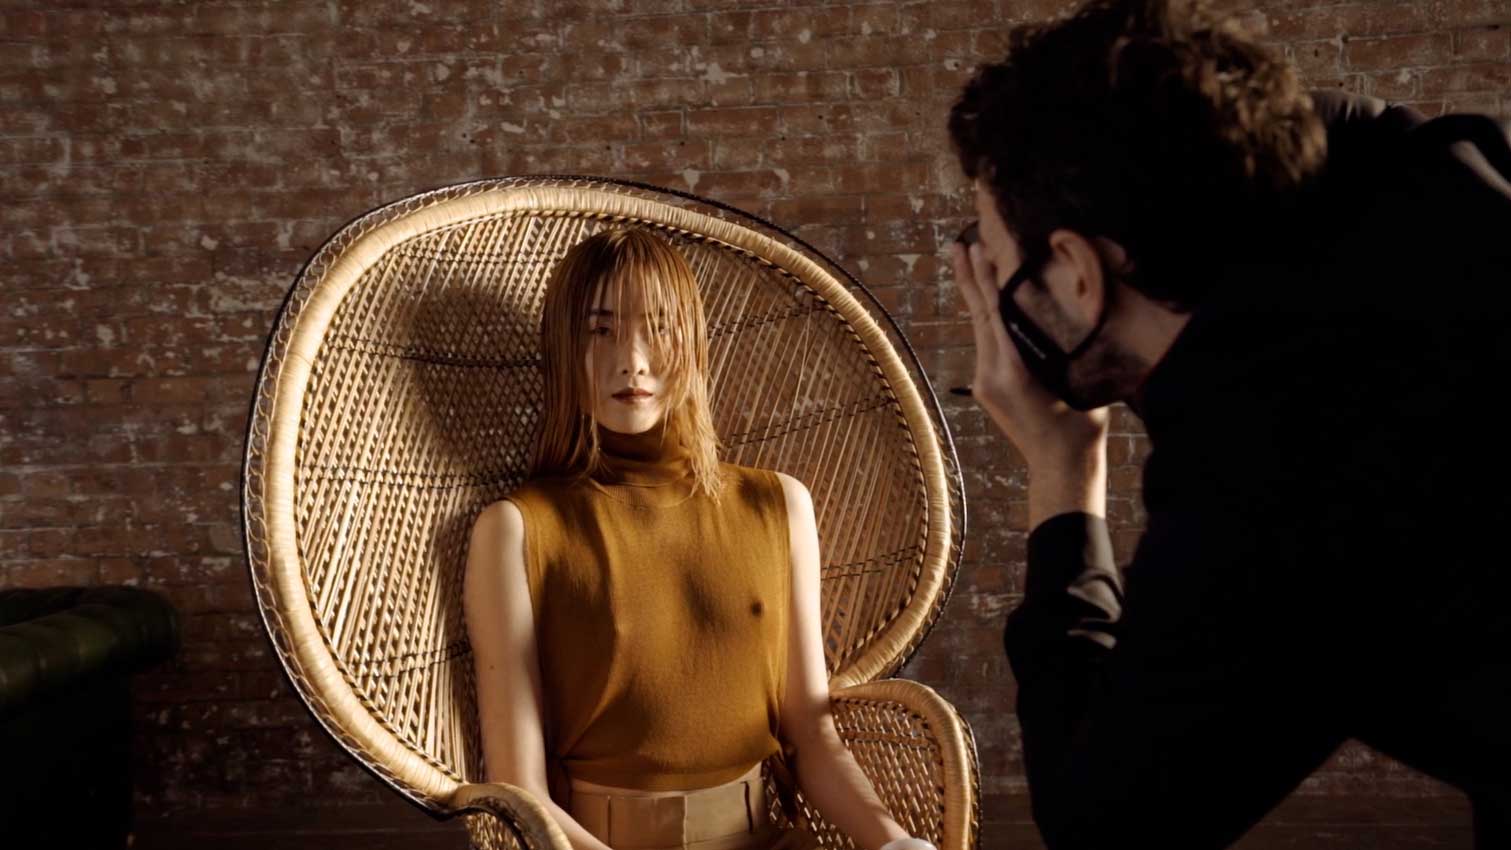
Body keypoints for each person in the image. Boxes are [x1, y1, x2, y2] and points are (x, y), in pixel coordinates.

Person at [944, 0, 1511, 847]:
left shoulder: (1272, 479)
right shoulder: (1436, 169)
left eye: (994, 260)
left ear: (1074, 271)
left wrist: (1061, 470)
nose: (990, 292)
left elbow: (1108, 828)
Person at [463, 228, 937, 850]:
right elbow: (520, 790)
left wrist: (896, 842)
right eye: (600, 330)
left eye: (659, 327)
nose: (633, 360)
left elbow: (812, 735)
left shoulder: (778, 505)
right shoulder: (519, 529)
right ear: (562, 349)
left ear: (692, 343)